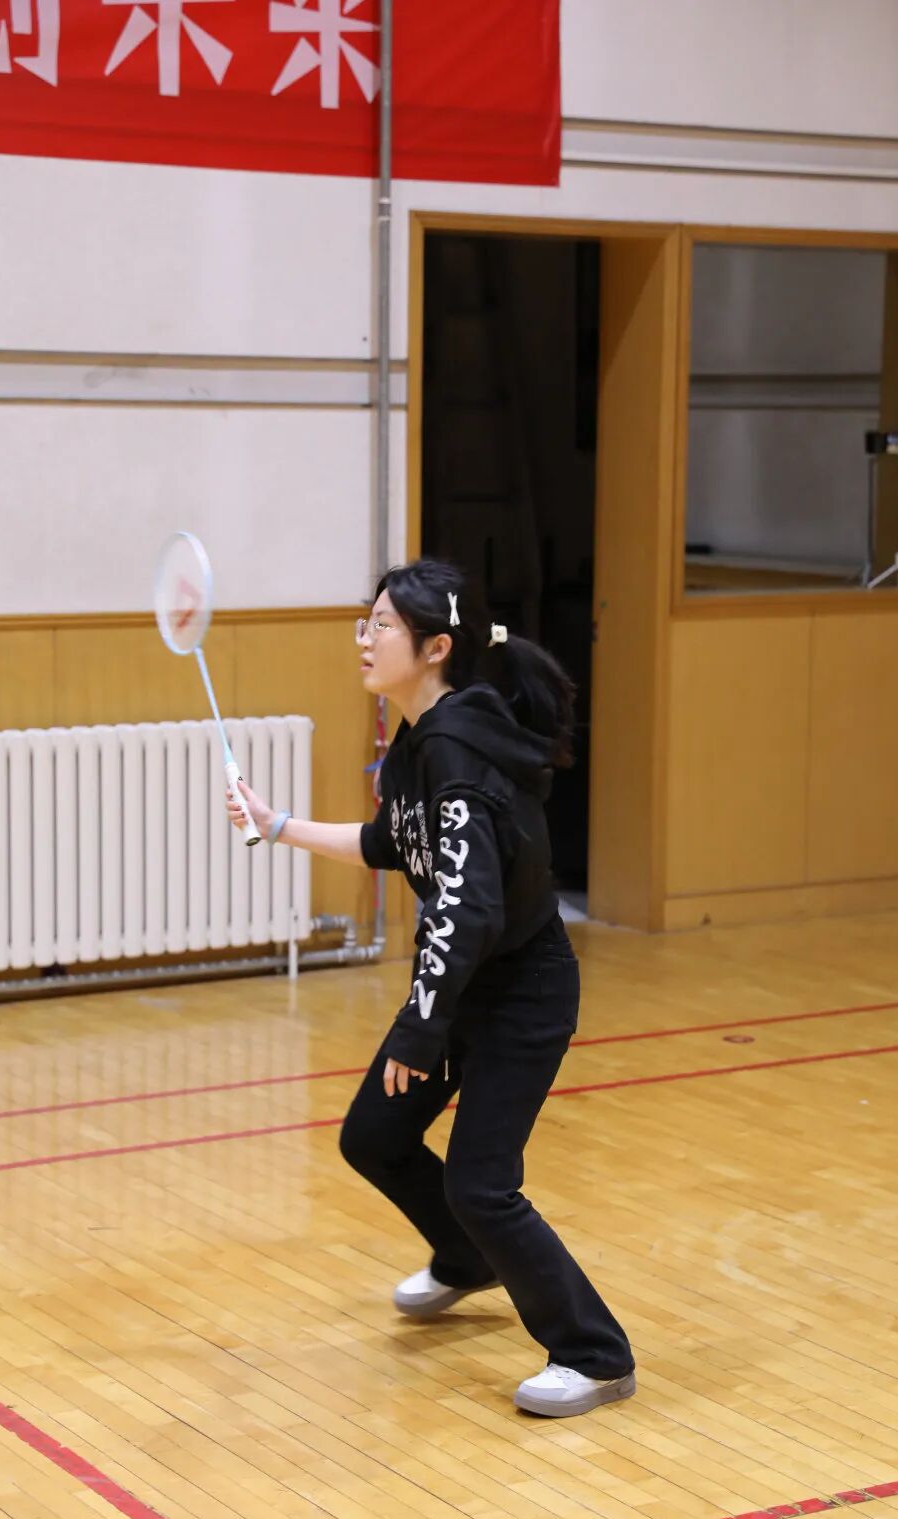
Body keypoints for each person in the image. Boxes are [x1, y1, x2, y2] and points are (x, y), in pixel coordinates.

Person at [227, 558, 635, 1417]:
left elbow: (467, 905)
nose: (364, 638)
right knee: (375, 1136)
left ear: (436, 647)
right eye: (365, 621)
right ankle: (466, 1257)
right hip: (463, 986)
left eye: (382, 625)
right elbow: (391, 842)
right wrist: (277, 825)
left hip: (520, 992)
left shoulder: (456, 748)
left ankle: (594, 1352)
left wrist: (421, 1029)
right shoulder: (420, 742)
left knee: (482, 1182)